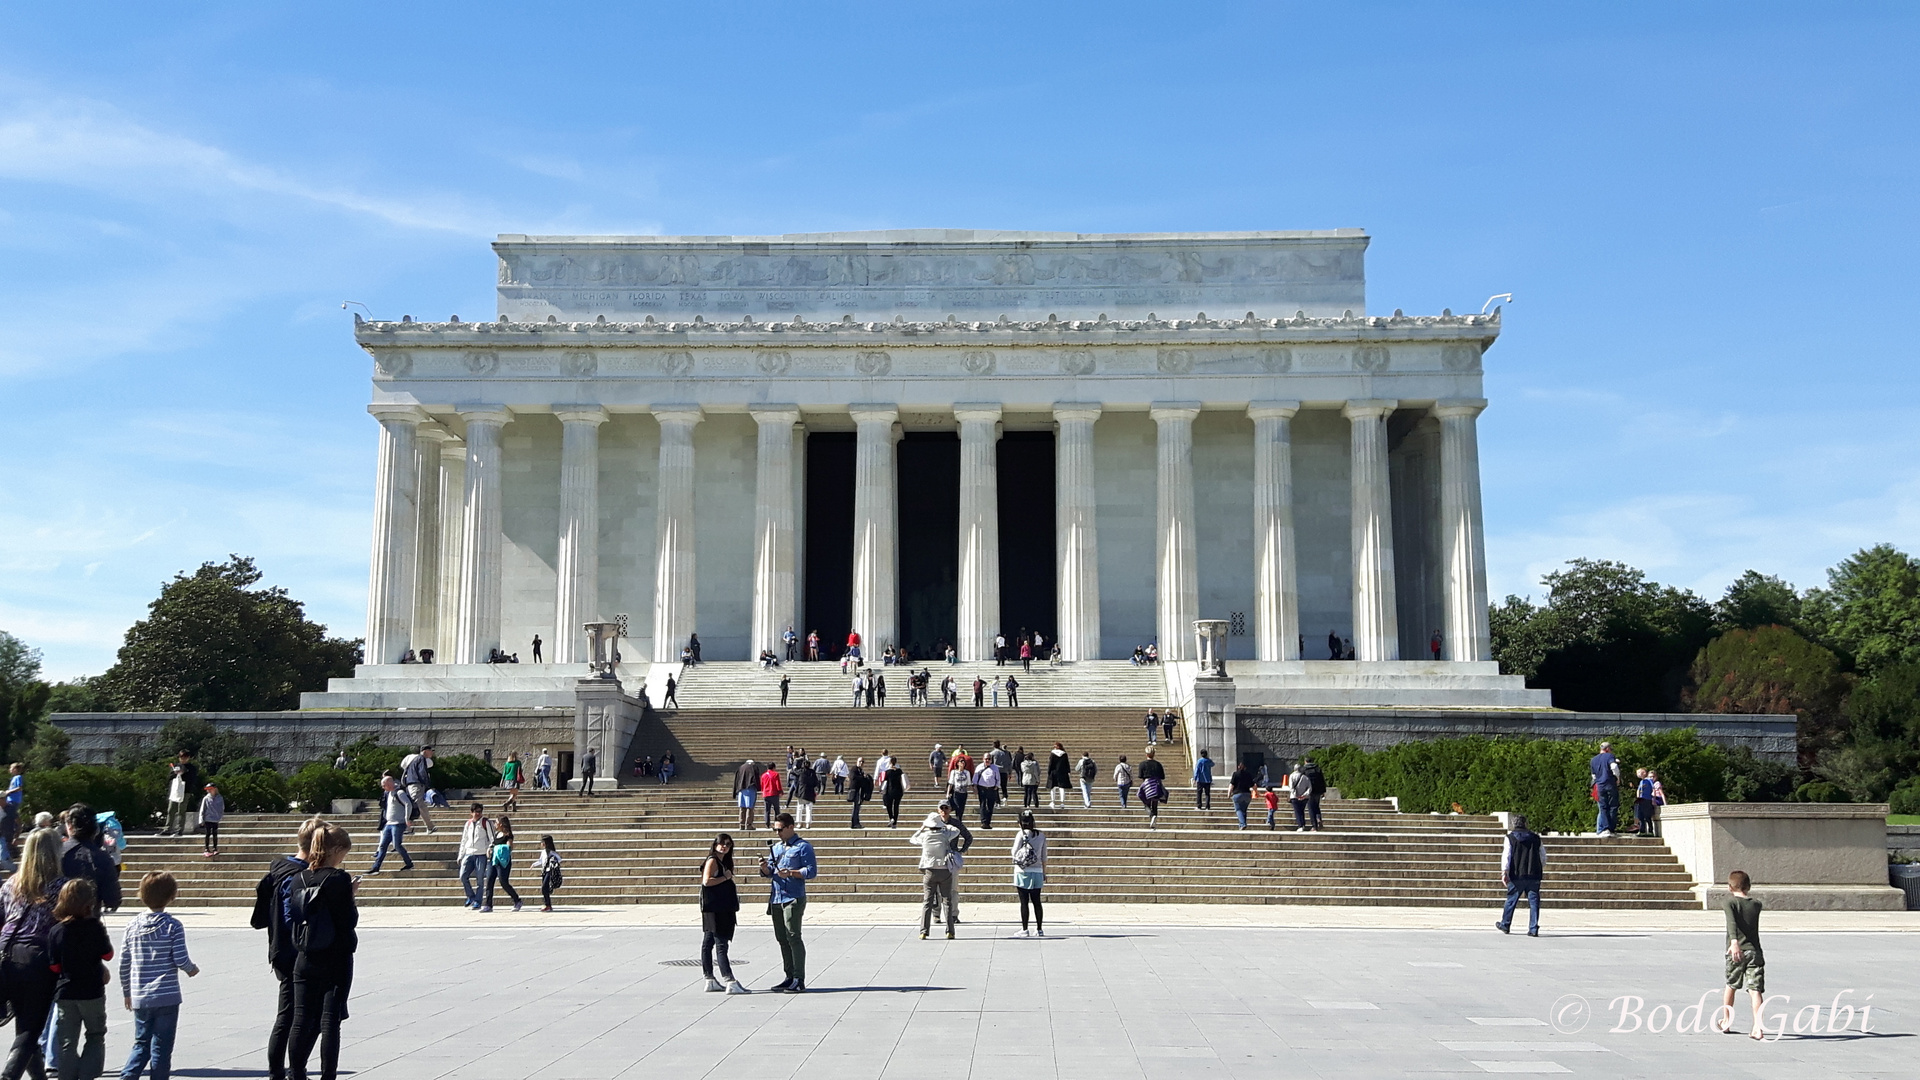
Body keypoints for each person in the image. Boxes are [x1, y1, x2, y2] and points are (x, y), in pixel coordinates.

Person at [250, 816, 322, 1080]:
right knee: (296, 1016)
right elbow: (295, 917)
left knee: (290, 1014)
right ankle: (286, 1072)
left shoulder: (281, 869)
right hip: (294, 954)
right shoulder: (296, 876)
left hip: (281, 950)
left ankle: (281, 1071)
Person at [287, 822, 358, 1080]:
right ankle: (328, 1075)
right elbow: (348, 920)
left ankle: (296, 1072)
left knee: (301, 1017)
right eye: (343, 854)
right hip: (336, 956)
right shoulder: (339, 879)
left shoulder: (299, 878)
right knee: (330, 1020)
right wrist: (351, 896)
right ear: (336, 850)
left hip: (305, 956)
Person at [119, 871, 199, 1080]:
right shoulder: (173, 926)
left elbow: (124, 962)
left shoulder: (131, 926)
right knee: (162, 1048)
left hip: (140, 995)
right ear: (172, 896)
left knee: (141, 1042)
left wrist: (127, 991)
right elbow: (180, 958)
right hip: (167, 995)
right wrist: (191, 969)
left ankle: (127, 1076)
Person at [2, 828, 65, 1080]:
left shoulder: (10, 883)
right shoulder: (60, 886)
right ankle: (9, 1076)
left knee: (25, 1026)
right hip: (37, 959)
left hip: (6, 955)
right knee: (31, 1028)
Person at [49, 878, 113, 1080]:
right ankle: (88, 1074)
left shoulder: (56, 931)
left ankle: (66, 1076)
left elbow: (54, 966)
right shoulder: (94, 927)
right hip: (92, 991)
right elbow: (108, 955)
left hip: (66, 992)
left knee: (67, 1041)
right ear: (90, 903)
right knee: (95, 1035)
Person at [760, 814, 815, 992]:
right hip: (776, 897)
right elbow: (769, 871)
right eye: (775, 829)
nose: (777, 833)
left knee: (793, 936)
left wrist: (792, 872)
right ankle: (789, 975)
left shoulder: (803, 847)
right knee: (782, 938)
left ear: (791, 827)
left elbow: (811, 871)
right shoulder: (775, 848)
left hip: (793, 897)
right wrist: (764, 868)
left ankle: (799, 978)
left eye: (780, 829)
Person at [694, 834, 749, 994]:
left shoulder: (722, 861)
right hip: (717, 910)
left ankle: (710, 979)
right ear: (715, 844)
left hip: (715, 909)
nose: (724, 846)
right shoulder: (713, 860)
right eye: (721, 843)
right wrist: (725, 877)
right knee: (720, 945)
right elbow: (707, 881)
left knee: (708, 943)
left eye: (728, 844)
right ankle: (729, 980)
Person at [1717, 869, 1766, 1039]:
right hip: (1755, 951)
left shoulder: (1729, 903)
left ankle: (1726, 1021)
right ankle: (1758, 1028)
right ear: (1749, 886)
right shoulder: (1756, 904)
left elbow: (1731, 922)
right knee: (1755, 990)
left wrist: (1734, 943)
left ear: (1729, 887)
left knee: (1731, 985)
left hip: (1736, 951)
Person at [911, 808, 962, 939]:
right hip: (945, 870)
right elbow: (957, 831)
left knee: (927, 901)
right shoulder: (945, 834)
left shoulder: (924, 836)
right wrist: (945, 825)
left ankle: (924, 931)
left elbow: (913, 839)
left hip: (929, 871)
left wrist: (922, 828)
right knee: (947, 901)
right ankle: (950, 930)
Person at [60, 806, 121, 914]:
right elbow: (113, 900)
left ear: (69, 825)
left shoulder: (57, 853)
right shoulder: (102, 857)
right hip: (90, 921)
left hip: (57, 923)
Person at [1494, 814, 1545, 937]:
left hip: (1517, 874)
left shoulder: (1510, 838)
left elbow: (1507, 855)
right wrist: (1539, 867)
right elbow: (1543, 856)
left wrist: (1504, 872)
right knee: (1534, 902)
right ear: (1525, 824)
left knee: (1511, 900)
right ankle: (1533, 928)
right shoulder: (1536, 838)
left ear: (1513, 824)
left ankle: (1505, 924)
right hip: (1533, 874)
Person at [366, 776, 414, 875]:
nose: (383, 787)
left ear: (389, 784)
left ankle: (409, 863)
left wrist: (406, 818)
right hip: (389, 823)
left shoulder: (399, 793)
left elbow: (408, 804)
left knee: (397, 845)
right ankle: (376, 867)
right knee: (383, 846)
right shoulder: (389, 793)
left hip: (398, 823)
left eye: (384, 785)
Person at [1011, 810, 1048, 937]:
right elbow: (1044, 856)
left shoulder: (1020, 835)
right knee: (1037, 901)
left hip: (1022, 871)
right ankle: (1039, 929)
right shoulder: (1041, 835)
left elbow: (1014, 852)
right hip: (1037, 871)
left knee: (1024, 901)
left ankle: (1025, 929)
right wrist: (1044, 872)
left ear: (1020, 822)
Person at [482, 816, 522, 913]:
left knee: (503, 881)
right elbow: (493, 844)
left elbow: (509, 847)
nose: (494, 824)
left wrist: (499, 848)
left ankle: (517, 900)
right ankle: (488, 904)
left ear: (500, 824)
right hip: (493, 860)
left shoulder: (508, 835)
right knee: (489, 881)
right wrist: (490, 849)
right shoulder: (497, 834)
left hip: (503, 861)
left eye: (496, 822)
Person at [457, 803, 493, 910]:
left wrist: (490, 848)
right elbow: (464, 840)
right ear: (471, 812)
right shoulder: (467, 824)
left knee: (480, 879)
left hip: (481, 853)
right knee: (463, 876)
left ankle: (478, 900)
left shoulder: (485, 822)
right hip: (469, 852)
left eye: (480, 811)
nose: (478, 814)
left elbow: (491, 837)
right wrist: (461, 855)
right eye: (476, 811)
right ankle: (470, 896)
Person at [400, 746, 437, 833]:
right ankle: (428, 826)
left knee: (414, 806)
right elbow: (422, 772)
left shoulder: (411, 759)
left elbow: (403, 766)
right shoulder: (421, 758)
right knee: (419, 805)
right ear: (425, 751)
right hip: (416, 785)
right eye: (431, 751)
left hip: (409, 785)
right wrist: (427, 785)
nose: (432, 753)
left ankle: (410, 827)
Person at [1590, 741, 1620, 836]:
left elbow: (1594, 776)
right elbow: (1614, 767)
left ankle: (1604, 828)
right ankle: (1611, 829)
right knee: (1613, 806)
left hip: (1599, 785)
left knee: (1603, 807)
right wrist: (1617, 778)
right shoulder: (1609, 756)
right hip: (1610, 783)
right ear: (1607, 749)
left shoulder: (1593, 760)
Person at [1138, 749, 1166, 828]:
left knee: (1145, 801)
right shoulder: (1158, 764)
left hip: (1147, 784)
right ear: (1154, 754)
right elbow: (1162, 776)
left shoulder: (1142, 764)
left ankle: (1151, 814)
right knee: (1155, 803)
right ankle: (1154, 816)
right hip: (1156, 784)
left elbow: (1140, 775)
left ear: (1146, 754)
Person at [533, 835, 562, 913]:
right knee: (545, 888)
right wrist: (534, 864)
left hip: (549, 871)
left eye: (542, 842)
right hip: (544, 871)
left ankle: (548, 905)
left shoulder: (551, 852)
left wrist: (553, 862)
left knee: (544, 887)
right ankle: (547, 904)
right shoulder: (543, 852)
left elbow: (559, 859)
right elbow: (540, 861)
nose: (541, 844)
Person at [197, 782, 226, 858]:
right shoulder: (206, 798)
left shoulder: (220, 798)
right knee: (207, 834)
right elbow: (202, 809)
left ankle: (215, 848)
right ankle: (206, 849)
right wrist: (201, 820)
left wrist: (220, 817)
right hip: (208, 819)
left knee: (215, 834)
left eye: (210, 789)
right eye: (208, 789)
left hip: (215, 819)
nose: (209, 791)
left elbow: (222, 808)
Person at [792, 757, 819, 829]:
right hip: (810, 792)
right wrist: (816, 790)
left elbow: (794, 771)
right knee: (809, 808)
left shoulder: (801, 771)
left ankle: (799, 823)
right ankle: (808, 823)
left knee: (800, 808)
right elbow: (816, 782)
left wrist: (794, 765)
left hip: (801, 792)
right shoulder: (812, 772)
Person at [973, 758, 1000, 829]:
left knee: (990, 806)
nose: (987, 760)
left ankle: (988, 822)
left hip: (992, 789)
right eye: (986, 759)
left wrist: (997, 786)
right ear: (983, 759)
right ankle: (983, 822)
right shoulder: (979, 767)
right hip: (982, 788)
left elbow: (998, 777)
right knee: (983, 805)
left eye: (989, 759)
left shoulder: (995, 768)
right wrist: (975, 787)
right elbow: (975, 778)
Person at [734, 758, 760, 832]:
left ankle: (741, 824)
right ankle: (748, 824)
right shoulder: (753, 767)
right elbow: (756, 778)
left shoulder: (741, 767)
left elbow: (737, 779)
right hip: (750, 789)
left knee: (742, 807)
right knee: (750, 807)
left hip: (741, 790)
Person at [879, 758, 906, 828]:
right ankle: (895, 822)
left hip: (890, 790)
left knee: (889, 806)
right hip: (899, 791)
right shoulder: (899, 771)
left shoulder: (887, 772)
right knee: (896, 806)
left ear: (890, 763)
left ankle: (891, 818)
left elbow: (883, 780)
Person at [1288, 760, 1314, 832]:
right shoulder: (1305, 777)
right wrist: (1304, 795)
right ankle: (1303, 824)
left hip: (1294, 797)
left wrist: (1296, 795)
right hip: (1304, 798)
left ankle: (1300, 825)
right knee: (1302, 811)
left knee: (1297, 811)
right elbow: (1309, 788)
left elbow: (1291, 787)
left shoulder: (1292, 776)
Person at [1228, 761, 1254, 829]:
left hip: (1237, 794)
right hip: (1247, 794)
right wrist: (1256, 792)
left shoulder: (1235, 774)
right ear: (1245, 767)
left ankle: (1242, 824)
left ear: (1238, 767)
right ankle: (1243, 824)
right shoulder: (1248, 774)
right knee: (1244, 810)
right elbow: (1253, 785)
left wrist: (1229, 793)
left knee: (1239, 810)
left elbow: (1232, 785)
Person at [759, 761, 784, 829]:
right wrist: (780, 791)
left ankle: (767, 824)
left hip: (766, 794)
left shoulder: (763, 775)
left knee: (767, 810)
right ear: (773, 767)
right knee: (776, 810)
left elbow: (762, 785)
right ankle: (777, 823)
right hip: (774, 793)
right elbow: (777, 784)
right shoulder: (776, 774)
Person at [847, 759, 871, 828]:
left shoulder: (860, 771)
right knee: (856, 807)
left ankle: (856, 822)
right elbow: (853, 777)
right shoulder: (854, 769)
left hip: (858, 790)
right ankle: (855, 823)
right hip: (854, 790)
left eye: (862, 762)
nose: (861, 763)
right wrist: (863, 778)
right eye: (860, 761)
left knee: (857, 807)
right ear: (857, 762)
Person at [1046, 744, 1071, 809]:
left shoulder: (1052, 754)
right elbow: (1067, 763)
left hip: (1053, 772)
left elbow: (1050, 764)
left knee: (1053, 788)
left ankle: (1053, 802)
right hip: (1062, 772)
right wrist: (1068, 771)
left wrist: (1049, 772)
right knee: (1062, 788)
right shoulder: (1064, 754)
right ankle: (1062, 803)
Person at [1633, 768, 1656, 837]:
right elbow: (1639, 790)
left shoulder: (1649, 780)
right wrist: (1638, 797)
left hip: (1647, 799)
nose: (1638, 774)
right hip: (1641, 800)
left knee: (1647, 816)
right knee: (1640, 816)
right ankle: (1642, 830)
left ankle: (1650, 831)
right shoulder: (1641, 782)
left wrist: (1653, 799)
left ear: (1643, 773)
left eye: (1639, 773)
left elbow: (1653, 789)